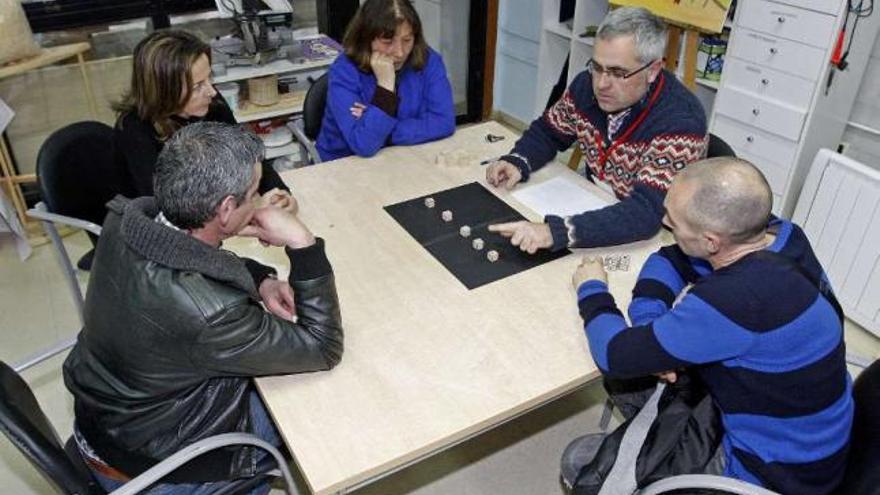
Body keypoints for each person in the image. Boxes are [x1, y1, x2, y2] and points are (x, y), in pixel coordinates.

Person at [63, 122, 343, 494]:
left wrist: (260, 279)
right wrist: (303, 244)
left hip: (110, 423)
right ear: (225, 209)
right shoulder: (211, 313)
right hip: (160, 466)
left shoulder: (125, 220)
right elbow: (322, 346)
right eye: (254, 193)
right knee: (320, 405)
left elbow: (189, 260)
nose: (259, 199)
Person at [566, 157, 852, 494]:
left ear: (711, 242)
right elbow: (668, 258)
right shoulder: (781, 237)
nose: (664, 220)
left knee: (580, 460)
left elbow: (613, 353)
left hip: (774, 474)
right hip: (810, 436)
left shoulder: (733, 299)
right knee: (653, 378)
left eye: (674, 221)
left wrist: (592, 288)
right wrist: (653, 324)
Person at [487, 7, 707, 254]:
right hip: (594, 206)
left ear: (653, 70)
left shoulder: (680, 121)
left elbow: (644, 214)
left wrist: (556, 232)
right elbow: (549, 131)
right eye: (597, 67)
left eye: (618, 73)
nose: (601, 84)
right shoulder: (586, 86)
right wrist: (519, 160)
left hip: (649, 241)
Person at [73, 29, 296, 272]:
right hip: (161, 241)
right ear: (163, 90)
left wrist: (279, 193)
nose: (211, 91)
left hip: (212, 222)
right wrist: (245, 220)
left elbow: (248, 156)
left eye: (209, 78)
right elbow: (168, 213)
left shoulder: (211, 104)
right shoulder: (134, 131)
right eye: (198, 85)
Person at [316, 0, 456, 161]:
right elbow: (363, 144)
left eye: (407, 40)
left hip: (403, 156)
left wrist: (384, 130)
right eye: (388, 42)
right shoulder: (344, 71)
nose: (400, 52)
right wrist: (385, 86)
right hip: (343, 163)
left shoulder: (429, 60)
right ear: (366, 38)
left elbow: (444, 122)